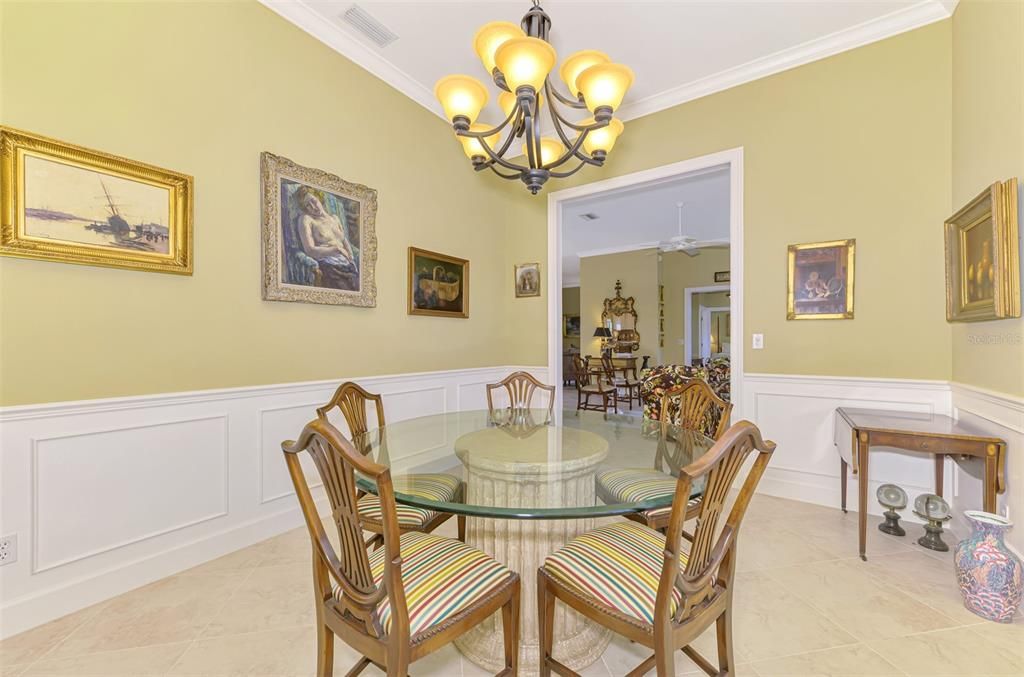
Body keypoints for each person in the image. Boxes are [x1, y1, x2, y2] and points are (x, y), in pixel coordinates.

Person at [295, 185, 358, 289]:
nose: (313, 207)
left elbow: (344, 240)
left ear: (319, 198)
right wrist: (336, 249)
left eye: (314, 201)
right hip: (330, 267)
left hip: (349, 267)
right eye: (307, 206)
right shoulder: (306, 219)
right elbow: (309, 250)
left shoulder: (335, 218)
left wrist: (351, 259)